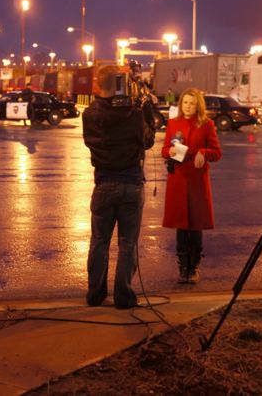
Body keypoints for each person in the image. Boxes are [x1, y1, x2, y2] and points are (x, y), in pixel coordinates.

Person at [82, 65, 156, 309]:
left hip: (103, 184)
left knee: (99, 242)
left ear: (100, 85)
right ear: (120, 84)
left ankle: (95, 294)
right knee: (127, 243)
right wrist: (146, 113)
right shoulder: (132, 114)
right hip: (131, 184)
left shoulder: (90, 114)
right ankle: (124, 297)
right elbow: (147, 141)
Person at [161, 88, 222, 284]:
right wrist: (170, 151)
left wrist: (203, 152)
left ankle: (194, 266)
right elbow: (164, 149)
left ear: (198, 106)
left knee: (195, 225)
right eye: (185, 103)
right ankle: (182, 267)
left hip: (197, 181)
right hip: (178, 179)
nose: (188, 106)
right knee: (180, 225)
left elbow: (216, 152)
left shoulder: (207, 125)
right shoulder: (173, 123)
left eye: (192, 103)